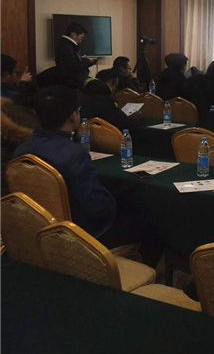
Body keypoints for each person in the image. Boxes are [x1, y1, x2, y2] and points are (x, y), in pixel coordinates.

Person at [14, 85, 160, 265]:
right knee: (151, 222)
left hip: (38, 227)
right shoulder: (74, 154)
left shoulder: (22, 150)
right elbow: (99, 208)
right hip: (81, 233)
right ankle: (132, 274)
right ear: (73, 116)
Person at [54, 22, 98, 88]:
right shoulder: (66, 46)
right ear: (73, 34)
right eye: (81, 37)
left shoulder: (66, 44)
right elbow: (73, 66)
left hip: (72, 80)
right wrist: (89, 62)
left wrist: (85, 60)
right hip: (72, 82)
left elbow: (73, 60)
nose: (82, 40)